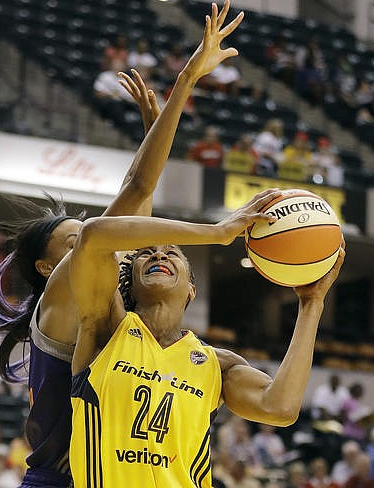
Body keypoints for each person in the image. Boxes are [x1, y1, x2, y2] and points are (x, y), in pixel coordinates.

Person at [0, 0, 245, 488]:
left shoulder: (109, 292)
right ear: (47, 268)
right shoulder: (62, 301)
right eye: (72, 242)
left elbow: (139, 200)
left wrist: (156, 130)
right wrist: (186, 81)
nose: (90, 244)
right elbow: (132, 198)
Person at [67, 175, 344, 487]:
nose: (159, 254)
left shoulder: (217, 365)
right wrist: (217, 232)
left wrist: (311, 305)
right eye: (146, 253)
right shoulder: (106, 326)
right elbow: (91, 236)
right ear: (129, 281)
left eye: (172, 252)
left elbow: (279, 407)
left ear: (191, 289)